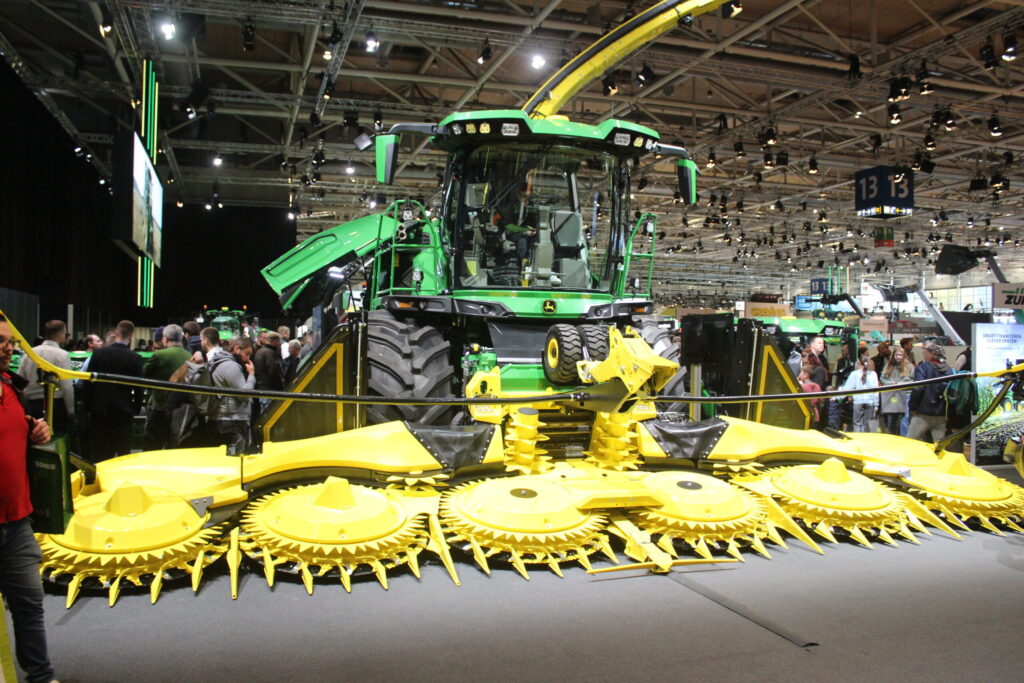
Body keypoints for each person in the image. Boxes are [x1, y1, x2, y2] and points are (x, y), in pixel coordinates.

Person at [0, 314, 58, 683]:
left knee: (29, 606)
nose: (8, 348)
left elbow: (17, 433)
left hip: (17, 522)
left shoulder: (11, 387)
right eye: (0, 341)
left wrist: (37, 430)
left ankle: (41, 676)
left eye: (10, 342)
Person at [84, 320, 143, 461]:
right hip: (123, 411)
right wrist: (135, 408)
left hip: (100, 410)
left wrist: (89, 405)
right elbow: (139, 387)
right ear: (131, 335)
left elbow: (88, 381)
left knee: (101, 452)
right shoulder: (135, 358)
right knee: (123, 452)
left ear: (116, 333)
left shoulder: (99, 354)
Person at [199, 328, 255, 455]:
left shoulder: (216, 362)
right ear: (237, 349)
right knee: (236, 458)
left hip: (219, 418)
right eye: (247, 354)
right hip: (232, 420)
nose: (248, 359)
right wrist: (252, 375)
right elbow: (244, 396)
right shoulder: (230, 366)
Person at [16, 320, 74, 434]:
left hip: (32, 407)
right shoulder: (62, 355)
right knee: (56, 440)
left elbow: (19, 381)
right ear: (60, 335)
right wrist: (71, 411)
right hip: (55, 406)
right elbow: (67, 387)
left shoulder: (29, 353)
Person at [142, 324, 190, 450]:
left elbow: (143, 375)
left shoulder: (159, 355)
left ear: (165, 338)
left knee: (152, 446)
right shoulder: (189, 356)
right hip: (179, 410)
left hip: (159, 407)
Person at [907, 342, 952, 443]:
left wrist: (913, 406)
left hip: (923, 412)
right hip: (941, 413)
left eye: (924, 352)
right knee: (938, 445)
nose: (923, 354)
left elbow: (918, 388)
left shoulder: (923, 367)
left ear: (931, 353)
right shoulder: (948, 369)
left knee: (910, 442)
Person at [879, 347, 914, 435]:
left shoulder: (909, 366)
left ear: (903, 355)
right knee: (891, 417)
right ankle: (892, 436)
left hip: (905, 394)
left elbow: (914, 380)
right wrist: (889, 383)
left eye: (900, 355)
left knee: (904, 417)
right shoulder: (889, 365)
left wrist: (903, 383)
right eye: (896, 355)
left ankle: (903, 437)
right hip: (892, 394)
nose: (898, 357)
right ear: (893, 355)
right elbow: (882, 378)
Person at [841, 356, 879, 432]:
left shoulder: (854, 374)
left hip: (858, 401)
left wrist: (838, 397)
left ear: (858, 363)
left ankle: (858, 437)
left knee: (857, 423)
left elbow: (847, 388)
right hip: (870, 402)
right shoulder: (873, 374)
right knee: (867, 424)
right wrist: (876, 405)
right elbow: (876, 391)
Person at [254, 331, 284, 414]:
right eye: (277, 341)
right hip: (270, 390)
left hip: (262, 389)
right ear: (272, 340)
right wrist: (281, 386)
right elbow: (273, 371)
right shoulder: (270, 353)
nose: (279, 343)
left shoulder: (260, 351)